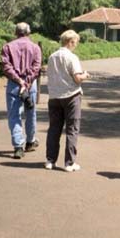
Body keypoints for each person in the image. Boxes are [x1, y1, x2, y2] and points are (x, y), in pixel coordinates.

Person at [45, 30, 90, 172]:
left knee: (54, 129)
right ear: (70, 42)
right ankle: (69, 163)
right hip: (71, 96)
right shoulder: (72, 57)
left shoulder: (52, 57)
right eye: (75, 42)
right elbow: (77, 78)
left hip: (54, 96)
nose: (75, 45)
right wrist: (85, 75)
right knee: (72, 129)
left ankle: (50, 160)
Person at [1, 22, 42, 159]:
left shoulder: (7, 47)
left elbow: (6, 67)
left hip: (14, 85)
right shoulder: (35, 48)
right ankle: (30, 141)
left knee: (14, 115)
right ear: (29, 32)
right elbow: (36, 67)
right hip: (30, 86)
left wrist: (19, 81)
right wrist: (27, 82)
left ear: (15, 32)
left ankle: (18, 147)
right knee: (31, 113)